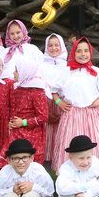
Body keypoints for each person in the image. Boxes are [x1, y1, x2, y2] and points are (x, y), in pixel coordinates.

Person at [48, 37, 99, 171]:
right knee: (71, 141)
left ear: (90, 53)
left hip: (91, 115)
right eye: (79, 51)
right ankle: (70, 173)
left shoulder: (96, 72)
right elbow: (53, 90)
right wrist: (59, 102)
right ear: (73, 53)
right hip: (72, 114)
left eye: (86, 51)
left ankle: (95, 173)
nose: (83, 54)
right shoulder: (66, 71)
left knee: (92, 142)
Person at [0, 60, 49, 166]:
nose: (13, 73)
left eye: (16, 71)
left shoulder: (37, 92)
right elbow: (14, 108)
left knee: (27, 161)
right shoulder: (18, 89)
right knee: (11, 159)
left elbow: (43, 116)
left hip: (32, 133)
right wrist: (12, 122)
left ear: (25, 72)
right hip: (17, 131)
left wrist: (24, 122)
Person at [39, 33, 68, 169]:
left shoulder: (67, 65)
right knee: (47, 130)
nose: (53, 48)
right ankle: (46, 161)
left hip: (61, 102)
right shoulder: (41, 65)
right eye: (50, 45)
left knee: (60, 131)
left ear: (61, 46)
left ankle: (60, 160)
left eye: (57, 45)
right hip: (45, 101)